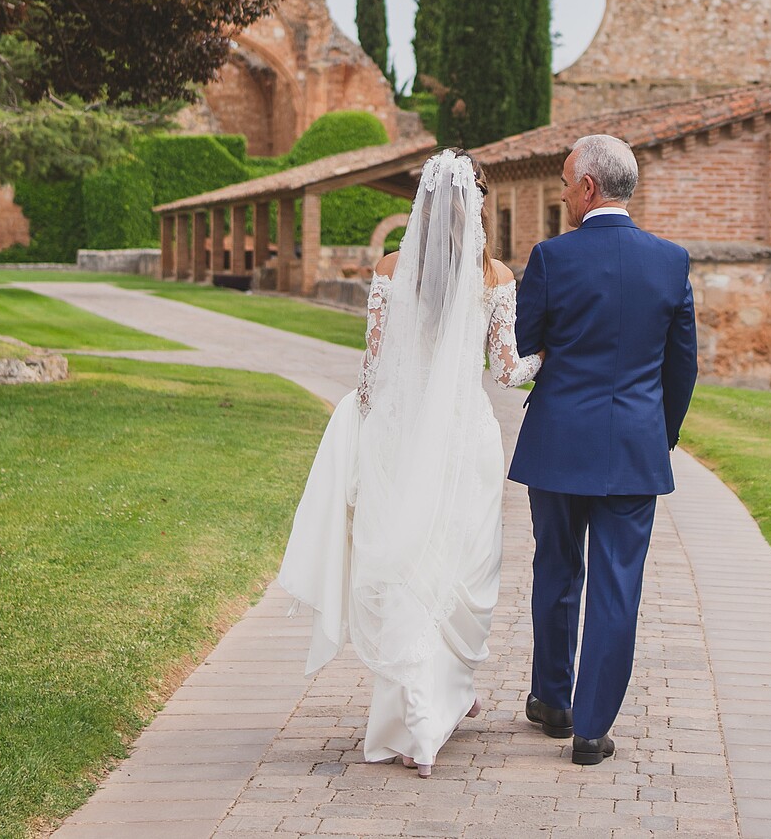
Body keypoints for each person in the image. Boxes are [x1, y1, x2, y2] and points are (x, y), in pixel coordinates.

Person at [276, 148, 538, 777]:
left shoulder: (391, 268)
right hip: (465, 439)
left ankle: (418, 713)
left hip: (400, 433)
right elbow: (508, 373)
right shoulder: (496, 277)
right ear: (476, 205)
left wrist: (368, 425)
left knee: (404, 566)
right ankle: (436, 704)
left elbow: (372, 370)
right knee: (458, 566)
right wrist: (551, 356)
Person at [510, 133, 697, 766]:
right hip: (634, 450)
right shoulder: (670, 261)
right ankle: (591, 730)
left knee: (556, 570)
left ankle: (552, 701)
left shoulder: (551, 258)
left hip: (558, 444)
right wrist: (657, 435)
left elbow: (526, 343)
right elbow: (682, 365)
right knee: (619, 585)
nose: (563, 194)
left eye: (566, 183)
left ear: (588, 187)